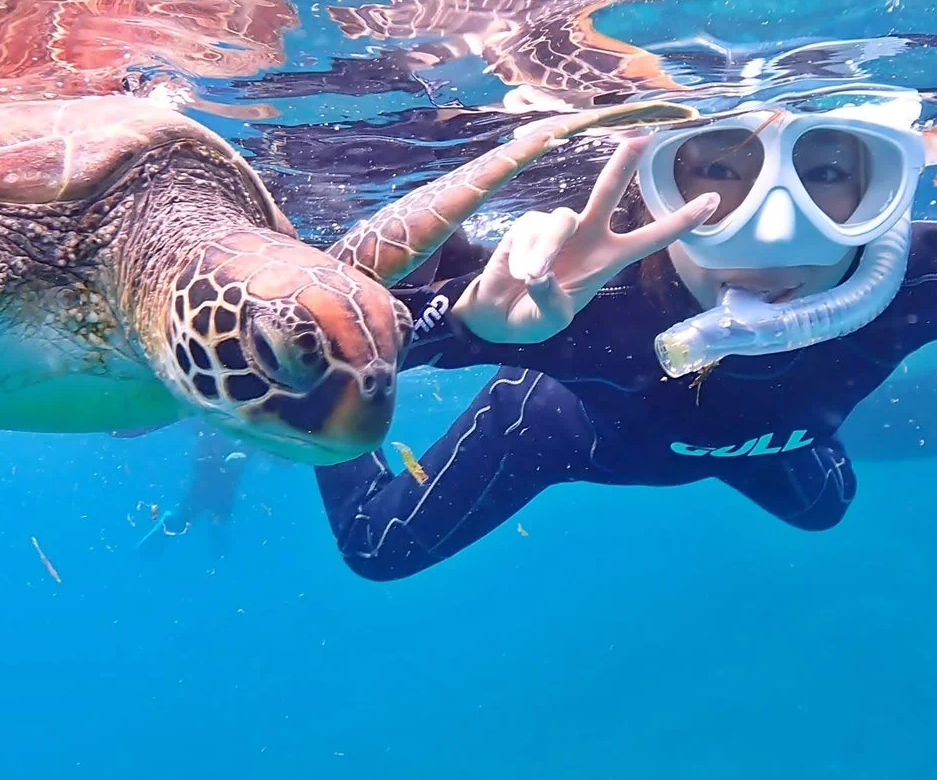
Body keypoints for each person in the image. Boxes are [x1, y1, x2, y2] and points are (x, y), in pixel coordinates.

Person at [315, 85, 937, 581]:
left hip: (774, 439)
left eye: (826, 174)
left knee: (829, 508)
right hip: (565, 434)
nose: (772, 234)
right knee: (376, 548)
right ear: (655, 196)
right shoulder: (587, 303)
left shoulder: (915, 278)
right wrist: (469, 319)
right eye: (718, 168)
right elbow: (324, 344)